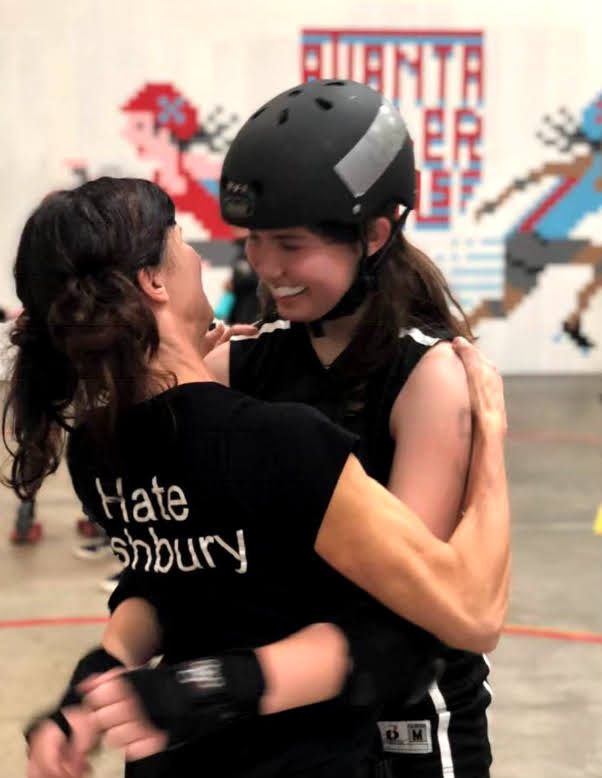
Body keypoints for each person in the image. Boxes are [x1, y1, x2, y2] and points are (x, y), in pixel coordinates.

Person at [5, 177, 508, 778]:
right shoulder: (278, 439)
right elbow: (431, 626)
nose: (255, 262)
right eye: (182, 241)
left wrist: (97, 681)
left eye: (285, 242)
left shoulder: (96, 447)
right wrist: (491, 447)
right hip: (299, 756)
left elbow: (168, 581)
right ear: (153, 281)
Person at [208, 78, 495, 777]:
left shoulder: (430, 376)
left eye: (291, 244)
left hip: (404, 717)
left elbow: (405, 594)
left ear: (375, 232)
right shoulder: (242, 361)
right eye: (253, 241)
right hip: (292, 711)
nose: (267, 268)